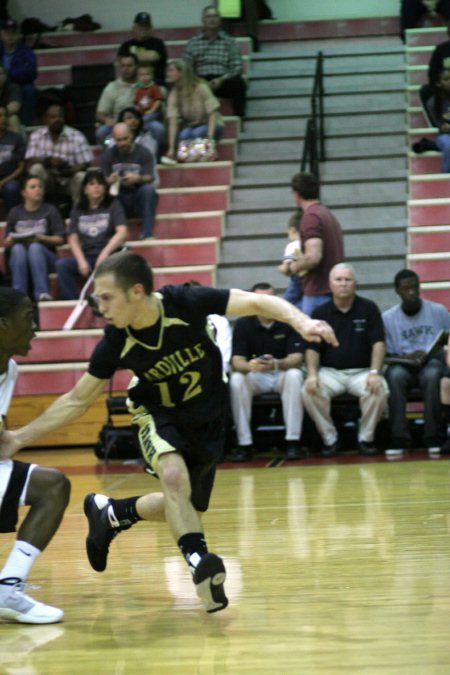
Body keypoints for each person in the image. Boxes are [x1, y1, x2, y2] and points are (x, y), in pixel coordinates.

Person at [0, 250, 337, 613]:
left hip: (207, 415)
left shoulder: (185, 302)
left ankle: (112, 514)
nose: (101, 306)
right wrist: (20, 437)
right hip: (155, 412)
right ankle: (200, 564)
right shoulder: (116, 341)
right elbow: (76, 400)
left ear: (138, 292)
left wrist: (303, 322)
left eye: (108, 297)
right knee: (174, 477)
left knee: (184, 503)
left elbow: (256, 301)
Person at [0, 286, 70, 623]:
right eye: (28, 318)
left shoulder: (8, 368)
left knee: (53, 486)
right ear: (2, 324)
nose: (36, 327)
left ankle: (7, 589)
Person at [302, 263, 389, 458]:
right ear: (330, 284)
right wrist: (312, 375)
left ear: (355, 284)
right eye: (338, 280)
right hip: (330, 373)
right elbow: (312, 348)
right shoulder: (319, 313)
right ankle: (330, 439)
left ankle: (365, 439)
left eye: (347, 280)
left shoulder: (369, 308)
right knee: (308, 390)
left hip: (362, 371)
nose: (343, 284)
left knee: (379, 388)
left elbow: (378, 344)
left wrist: (375, 372)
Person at [229, 282, 305, 461]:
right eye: (260, 299)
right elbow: (237, 362)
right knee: (237, 380)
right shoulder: (243, 324)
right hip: (257, 375)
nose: (265, 303)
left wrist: (276, 364)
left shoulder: (288, 321)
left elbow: (297, 358)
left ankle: (293, 442)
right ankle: (244, 444)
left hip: (281, 373)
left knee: (295, 375)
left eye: (269, 299)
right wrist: (252, 366)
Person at [382, 268, 450, 458]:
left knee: (433, 374)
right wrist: (407, 358)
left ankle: (433, 437)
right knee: (394, 375)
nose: (411, 292)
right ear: (397, 290)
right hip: (402, 364)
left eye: (415, 287)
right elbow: (385, 354)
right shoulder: (387, 318)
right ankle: (399, 438)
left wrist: (432, 352)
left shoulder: (438, 311)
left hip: (431, 362)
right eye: (406, 288)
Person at [55, 168, 128, 300]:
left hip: (109, 255)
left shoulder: (113, 204)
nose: (96, 187)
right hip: (87, 255)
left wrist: (104, 254)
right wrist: (81, 260)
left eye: (100, 184)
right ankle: (73, 302)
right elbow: (72, 237)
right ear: (85, 190)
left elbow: (122, 232)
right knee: (62, 265)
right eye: (92, 184)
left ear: (105, 188)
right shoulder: (78, 209)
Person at [289, 172, 345, 316]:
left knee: (313, 336)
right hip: (330, 291)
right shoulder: (327, 214)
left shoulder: (310, 217)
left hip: (318, 292)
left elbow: (313, 257)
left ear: (296, 195)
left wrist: (293, 267)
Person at [5, 175, 65, 302]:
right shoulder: (15, 212)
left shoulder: (50, 210)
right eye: (33, 187)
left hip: (46, 257)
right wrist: (11, 240)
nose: (38, 190)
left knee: (35, 247)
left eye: (39, 187)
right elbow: (6, 240)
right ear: (23, 193)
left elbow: (60, 239)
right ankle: (19, 296)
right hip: (20, 257)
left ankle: (42, 293)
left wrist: (41, 238)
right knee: (17, 249)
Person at [183, 5, 247, 119]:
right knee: (184, 85)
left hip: (222, 81)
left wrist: (221, 79)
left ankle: (239, 117)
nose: (212, 19)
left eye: (215, 16)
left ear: (220, 20)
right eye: (208, 16)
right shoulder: (193, 43)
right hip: (200, 81)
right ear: (203, 20)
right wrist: (200, 82)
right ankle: (191, 119)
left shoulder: (229, 41)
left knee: (239, 83)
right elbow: (186, 67)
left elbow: (237, 67)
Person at [25, 102, 93, 206]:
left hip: (69, 180)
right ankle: (37, 210)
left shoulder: (76, 136)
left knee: (81, 176)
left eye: (60, 116)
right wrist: (48, 161)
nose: (57, 120)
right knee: (36, 169)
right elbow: (31, 158)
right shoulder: (36, 136)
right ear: (46, 119)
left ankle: (78, 212)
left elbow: (85, 163)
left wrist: (69, 170)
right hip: (47, 180)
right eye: (53, 117)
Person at [100, 122, 158, 239]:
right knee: (105, 194)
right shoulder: (108, 155)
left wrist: (138, 178)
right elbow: (102, 180)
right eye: (119, 140)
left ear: (131, 135)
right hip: (118, 197)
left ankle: (147, 234)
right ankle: (110, 237)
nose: (122, 143)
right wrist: (109, 180)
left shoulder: (144, 152)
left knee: (149, 190)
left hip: (137, 195)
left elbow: (150, 177)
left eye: (125, 139)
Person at [163, 58, 223, 164]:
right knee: (183, 135)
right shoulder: (174, 93)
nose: (168, 73)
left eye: (171, 70)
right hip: (192, 125)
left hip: (211, 124)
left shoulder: (201, 87)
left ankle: (207, 153)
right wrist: (171, 148)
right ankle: (195, 156)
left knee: (197, 133)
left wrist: (209, 138)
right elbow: (173, 122)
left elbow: (212, 114)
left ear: (181, 72)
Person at [95, 55, 140, 146]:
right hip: (118, 124)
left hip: (141, 122)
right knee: (101, 133)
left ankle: (153, 158)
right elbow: (99, 114)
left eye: (129, 65)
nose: (126, 69)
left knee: (157, 128)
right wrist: (107, 120)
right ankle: (113, 150)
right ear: (119, 68)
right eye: (123, 66)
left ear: (136, 66)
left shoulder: (145, 84)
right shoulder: (111, 87)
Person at [0, 18, 36, 126]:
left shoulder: (26, 51)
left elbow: (31, 72)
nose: (10, 36)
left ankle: (25, 125)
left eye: (13, 32)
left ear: (18, 34)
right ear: (1, 34)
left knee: (28, 90)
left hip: (18, 83)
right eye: (7, 32)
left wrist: (8, 74)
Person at [117, 12, 168, 86]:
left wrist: (131, 58)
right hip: (132, 83)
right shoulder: (126, 45)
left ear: (151, 28)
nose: (144, 28)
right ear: (134, 28)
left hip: (156, 83)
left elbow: (153, 56)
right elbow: (121, 62)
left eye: (146, 26)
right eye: (141, 26)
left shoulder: (158, 43)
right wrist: (145, 56)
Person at [133, 63, 165, 149]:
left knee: (146, 119)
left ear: (152, 76)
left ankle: (144, 130)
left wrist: (151, 111)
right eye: (142, 75)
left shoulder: (154, 88)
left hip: (154, 113)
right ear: (138, 77)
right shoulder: (138, 90)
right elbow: (136, 104)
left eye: (147, 74)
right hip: (142, 114)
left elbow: (158, 101)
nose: (145, 77)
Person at [277, 209, 303, 309]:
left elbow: (287, 265)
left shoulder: (292, 246)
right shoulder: (308, 244)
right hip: (310, 280)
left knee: (287, 305)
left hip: (297, 280)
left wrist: (280, 268)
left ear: (292, 230)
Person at [0, 104, 24, 210]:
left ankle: (14, 219)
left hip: (10, 179)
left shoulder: (16, 138)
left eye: (6, 116)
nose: (4, 119)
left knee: (11, 188)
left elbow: (21, 167)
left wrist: (3, 181)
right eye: (0, 116)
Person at [0, 63, 21, 132]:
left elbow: (15, 106)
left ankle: (15, 142)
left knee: (13, 118)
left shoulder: (13, 87)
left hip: (5, 117)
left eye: (0, 74)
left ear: (5, 75)